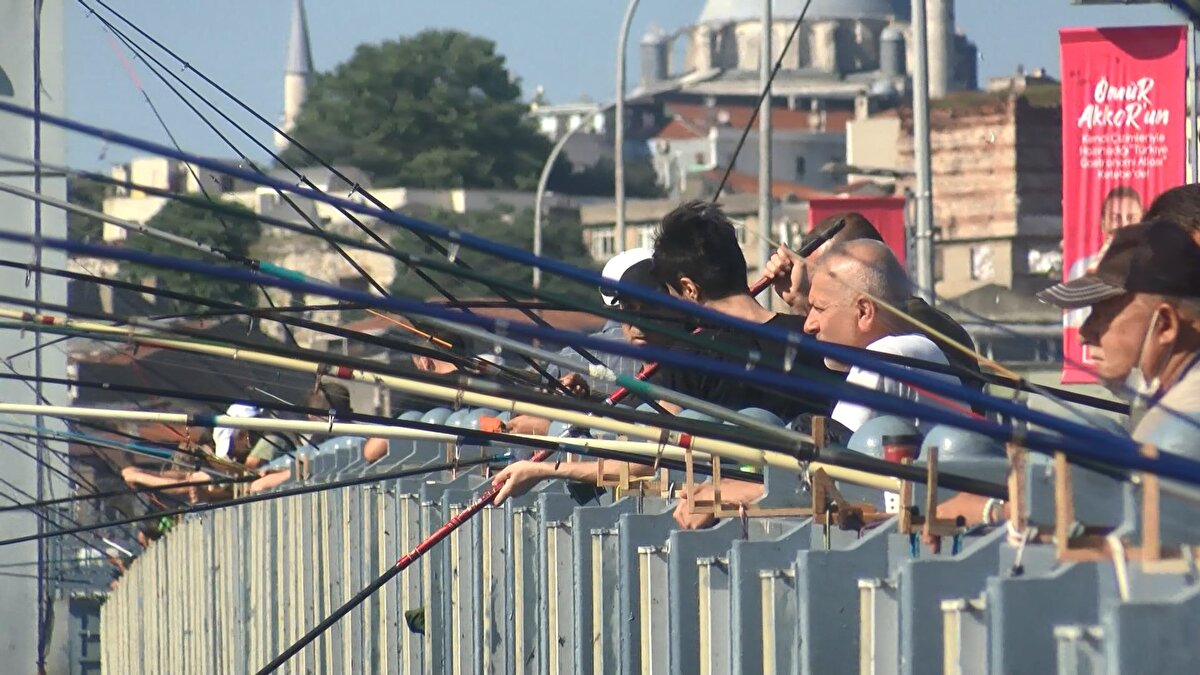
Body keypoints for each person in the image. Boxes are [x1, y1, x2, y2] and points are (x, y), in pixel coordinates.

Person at [935, 218, 1200, 527]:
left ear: (1165, 324)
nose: (1084, 333)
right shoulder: (1172, 401)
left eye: (1102, 314)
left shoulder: (1187, 415)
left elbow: (1148, 529)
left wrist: (994, 511)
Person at [488, 248, 674, 503]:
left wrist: (542, 467)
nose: (636, 324)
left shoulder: (686, 367)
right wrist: (585, 402)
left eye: (649, 311)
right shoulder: (656, 362)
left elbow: (649, 460)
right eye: (628, 312)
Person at [763, 211, 984, 401]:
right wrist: (801, 302)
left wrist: (803, 304)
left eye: (825, 277)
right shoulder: (901, 321)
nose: (811, 322)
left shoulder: (913, 325)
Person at [650, 200, 835, 420]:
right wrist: (801, 302)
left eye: (673, 292)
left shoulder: (688, 356)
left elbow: (664, 441)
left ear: (689, 288)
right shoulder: (815, 337)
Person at [803, 239, 965, 435]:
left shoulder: (882, 358)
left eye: (819, 308)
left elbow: (834, 454)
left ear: (864, 311)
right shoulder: (918, 348)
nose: (808, 325)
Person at [1066, 186, 1144, 329]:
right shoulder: (1082, 269)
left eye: (1131, 218)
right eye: (1116, 218)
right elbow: (1074, 323)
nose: (1124, 225)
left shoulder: (1157, 270)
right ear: (1103, 223)